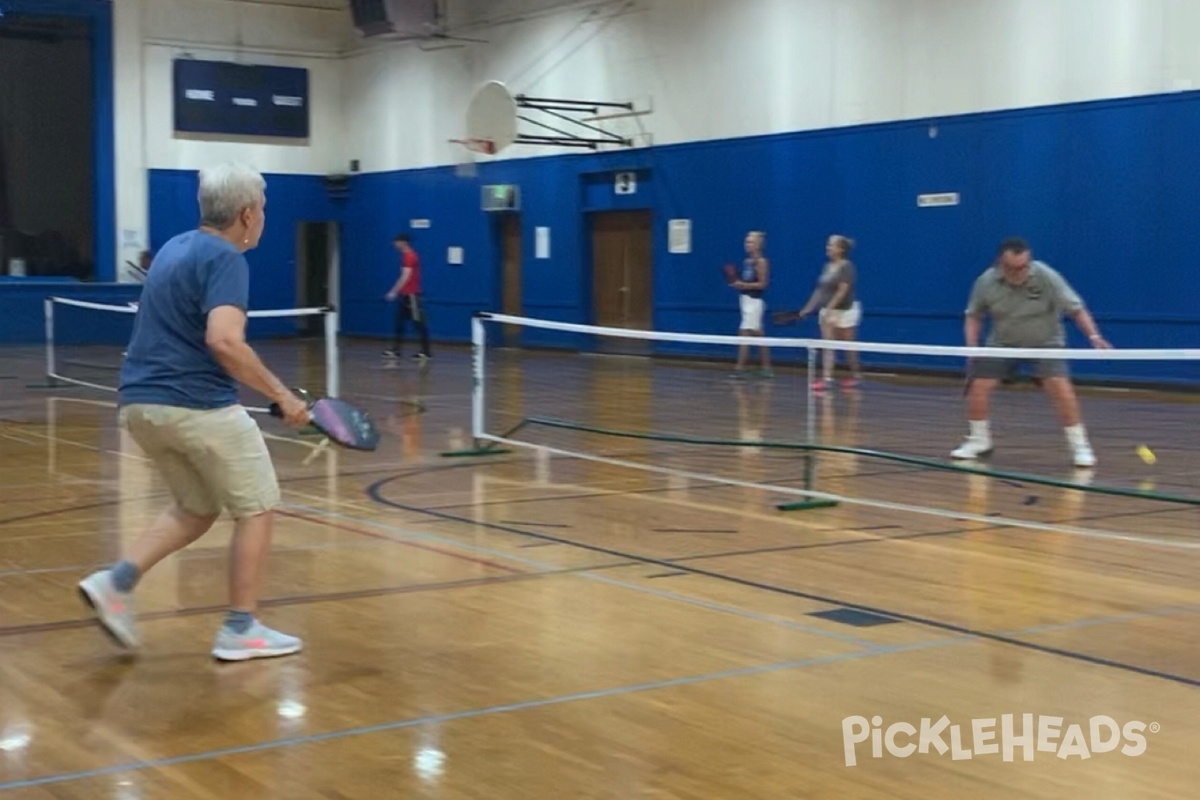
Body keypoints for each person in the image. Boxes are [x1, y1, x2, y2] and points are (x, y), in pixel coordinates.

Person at [77, 163, 311, 662]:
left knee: (196, 507)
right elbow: (224, 340)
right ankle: (240, 627)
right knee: (258, 506)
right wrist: (283, 396)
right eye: (263, 210)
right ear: (248, 215)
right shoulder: (227, 259)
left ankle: (115, 583)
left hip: (139, 406)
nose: (263, 218)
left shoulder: (173, 249)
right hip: (194, 406)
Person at [952, 237, 1110, 467]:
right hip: (1003, 343)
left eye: (1024, 267)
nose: (1019, 273)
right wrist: (972, 349)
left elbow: (1076, 309)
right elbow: (974, 316)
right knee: (978, 385)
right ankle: (979, 441)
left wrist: (1095, 337)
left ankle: (1080, 446)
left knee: (1060, 387)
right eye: (1012, 268)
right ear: (1000, 264)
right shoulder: (985, 282)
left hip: (1046, 342)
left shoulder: (1046, 276)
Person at [782, 235, 862, 394]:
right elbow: (820, 291)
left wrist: (830, 309)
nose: (828, 248)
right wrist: (807, 308)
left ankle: (856, 375)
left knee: (848, 348)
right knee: (828, 345)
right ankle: (827, 379)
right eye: (828, 245)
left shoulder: (847, 267)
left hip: (846, 312)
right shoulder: (827, 267)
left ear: (841, 249)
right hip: (828, 311)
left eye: (831, 245)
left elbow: (842, 291)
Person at [730, 230, 772, 378]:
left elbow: (763, 284)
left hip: (754, 302)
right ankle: (766, 368)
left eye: (750, 242)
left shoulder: (761, 262)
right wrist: (738, 284)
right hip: (745, 300)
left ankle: (740, 368)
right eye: (746, 241)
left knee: (744, 333)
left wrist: (744, 285)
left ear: (758, 245)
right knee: (758, 334)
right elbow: (747, 281)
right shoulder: (746, 262)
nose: (747, 245)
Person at [384, 233, 431, 363]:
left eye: (396, 242)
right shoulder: (406, 256)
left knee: (419, 323)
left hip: (412, 296)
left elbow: (405, 276)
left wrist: (393, 291)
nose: (395, 245)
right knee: (399, 323)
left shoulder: (410, 257)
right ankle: (396, 350)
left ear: (403, 242)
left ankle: (426, 352)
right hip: (405, 295)